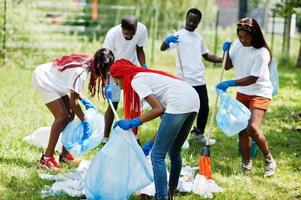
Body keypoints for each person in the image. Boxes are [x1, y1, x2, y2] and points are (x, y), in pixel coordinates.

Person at [101, 58, 199, 200]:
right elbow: (165, 125)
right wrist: (149, 144)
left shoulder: (136, 80)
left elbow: (158, 109)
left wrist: (133, 122)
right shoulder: (146, 77)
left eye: (117, 82)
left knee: (157, 156)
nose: (120, 87)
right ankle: (170, 195)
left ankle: (162, 197)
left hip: (180, 101)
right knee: (174, 151)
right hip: (193, 99)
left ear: (122, 76)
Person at [32, 49, 114, 170]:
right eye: (106, 70)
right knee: (62, 116)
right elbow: (73, 102)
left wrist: (85, 101)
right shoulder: (80, 72)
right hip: (44, 79)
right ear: (100, 66)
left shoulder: (91, 61)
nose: (107, 73)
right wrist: (84, 120)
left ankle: (65, 155)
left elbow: (74, 90)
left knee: (70, 115)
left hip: (55, 81)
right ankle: (46, 159)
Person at [217, 17, 276, 176]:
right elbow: (228, 65)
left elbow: (253, 78)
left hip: (260, 91)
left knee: (252, 128)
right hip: (244, 92)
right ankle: (246, 164)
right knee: (242, 129)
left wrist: (230, 83)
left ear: (255, 35)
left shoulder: (262, 52)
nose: (243, 41)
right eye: (240, 37)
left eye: (247, 37)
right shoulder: (237, 45)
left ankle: (269, 159)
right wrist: (226, 52)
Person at [160, 8, 223, 144]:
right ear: (186, 19)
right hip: (184, 80)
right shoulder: (178, 36)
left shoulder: (199, 38)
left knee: (204, 107)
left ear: (198, 22)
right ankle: (181, 137)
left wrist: (223, 59)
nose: (191, 23)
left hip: (199, 79)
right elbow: (162, 48)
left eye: (195, 21)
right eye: (190, 20)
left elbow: (207, 56)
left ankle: (198, 134)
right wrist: (166, 41)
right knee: (185, 108)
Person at [102, 15, 148, 144]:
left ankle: (133, 135)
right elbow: (106, 60)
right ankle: (105, 137)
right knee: (113, 104)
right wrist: (107, 83)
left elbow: (140, 49)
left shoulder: (142, 30)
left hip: (130, 68)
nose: (129, 37)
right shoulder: (112, 35)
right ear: (122, 29)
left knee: (133, 105)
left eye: (131, 35)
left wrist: (144, 66)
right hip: (114, 69)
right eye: (126, 35)